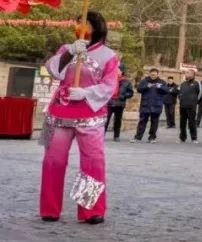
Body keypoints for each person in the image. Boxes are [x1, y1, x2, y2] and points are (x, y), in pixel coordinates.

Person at [39, 11, 119, 224]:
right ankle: (49, 208)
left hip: (90, 115)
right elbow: (53, 70)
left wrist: (87, 93)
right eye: (77, 22)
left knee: (92, 162)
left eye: (84, 23)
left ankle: (90, 210)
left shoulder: (108, 55)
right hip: (60, 112)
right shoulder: (66, 49)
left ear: (96, 26)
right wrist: (71, 52)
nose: (79, 26)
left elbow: (111, 86)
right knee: (53, 161)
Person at [133, 67, 168, 143]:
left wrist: (160, 87)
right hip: (145, 105)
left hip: (156, 105)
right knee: (142, 122)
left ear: (157, 74)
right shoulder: (145, 81)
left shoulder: (162, 82)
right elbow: (139, 89)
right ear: (149, 74)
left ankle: (152, 138)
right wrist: (146, 86)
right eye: (152, 75)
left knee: (154, 122)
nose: (153, 76)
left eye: (154, 75)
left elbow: (166, 90)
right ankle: (138, 137)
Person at [104, 67, 134, 142]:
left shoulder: (127, 82)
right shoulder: (109, 80)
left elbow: (130, 93)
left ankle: (116, 136)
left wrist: (123, 96)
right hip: (109, 103)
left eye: (118, 70)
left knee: (118, 120)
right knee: (105, 120)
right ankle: (102, 135)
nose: (116, 72)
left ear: (121, 72)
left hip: (120, 104)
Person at [177, 69, 202, 144]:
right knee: (182, 123)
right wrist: (180, 98)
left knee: (192, 122)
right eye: (186, 73)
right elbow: (179, 92)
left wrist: (195, 102)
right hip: (182, 106)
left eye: (188, 73)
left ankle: (194, 138)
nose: (186, 74)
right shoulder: (183, 83)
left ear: (193, 74)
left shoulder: (197, 83)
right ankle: (182, 138)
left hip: (192, 106)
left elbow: (201, 94)